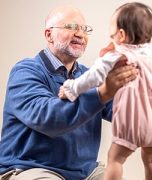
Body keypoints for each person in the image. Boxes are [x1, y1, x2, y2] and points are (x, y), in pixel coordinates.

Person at [0, 5, 138, 180]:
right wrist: (102, 93)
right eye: (71, 27)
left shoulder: (89, 76)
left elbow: (121, 111)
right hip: (30, 168)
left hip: (85, 172)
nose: (80, 34)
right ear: (48, 35)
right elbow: (48, 118)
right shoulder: (25, 71)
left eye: (84, 29)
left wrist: (142, 90)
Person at [59, 2, 152, 180]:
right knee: (151, 159)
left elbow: (92, 78)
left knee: (115, 159)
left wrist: (71, 88)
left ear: (121, 34)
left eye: (112, 26)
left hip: (135, 121)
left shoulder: (118, 56)